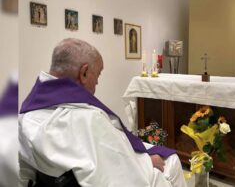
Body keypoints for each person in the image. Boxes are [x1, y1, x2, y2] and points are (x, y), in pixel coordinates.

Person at [19, 38, 187, 187]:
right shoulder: (88, 118)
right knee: (171, 161)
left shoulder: (27, 113)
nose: (97, 82)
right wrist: (147, 162)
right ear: (84, 73)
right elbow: (119, 172)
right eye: (98, 74)